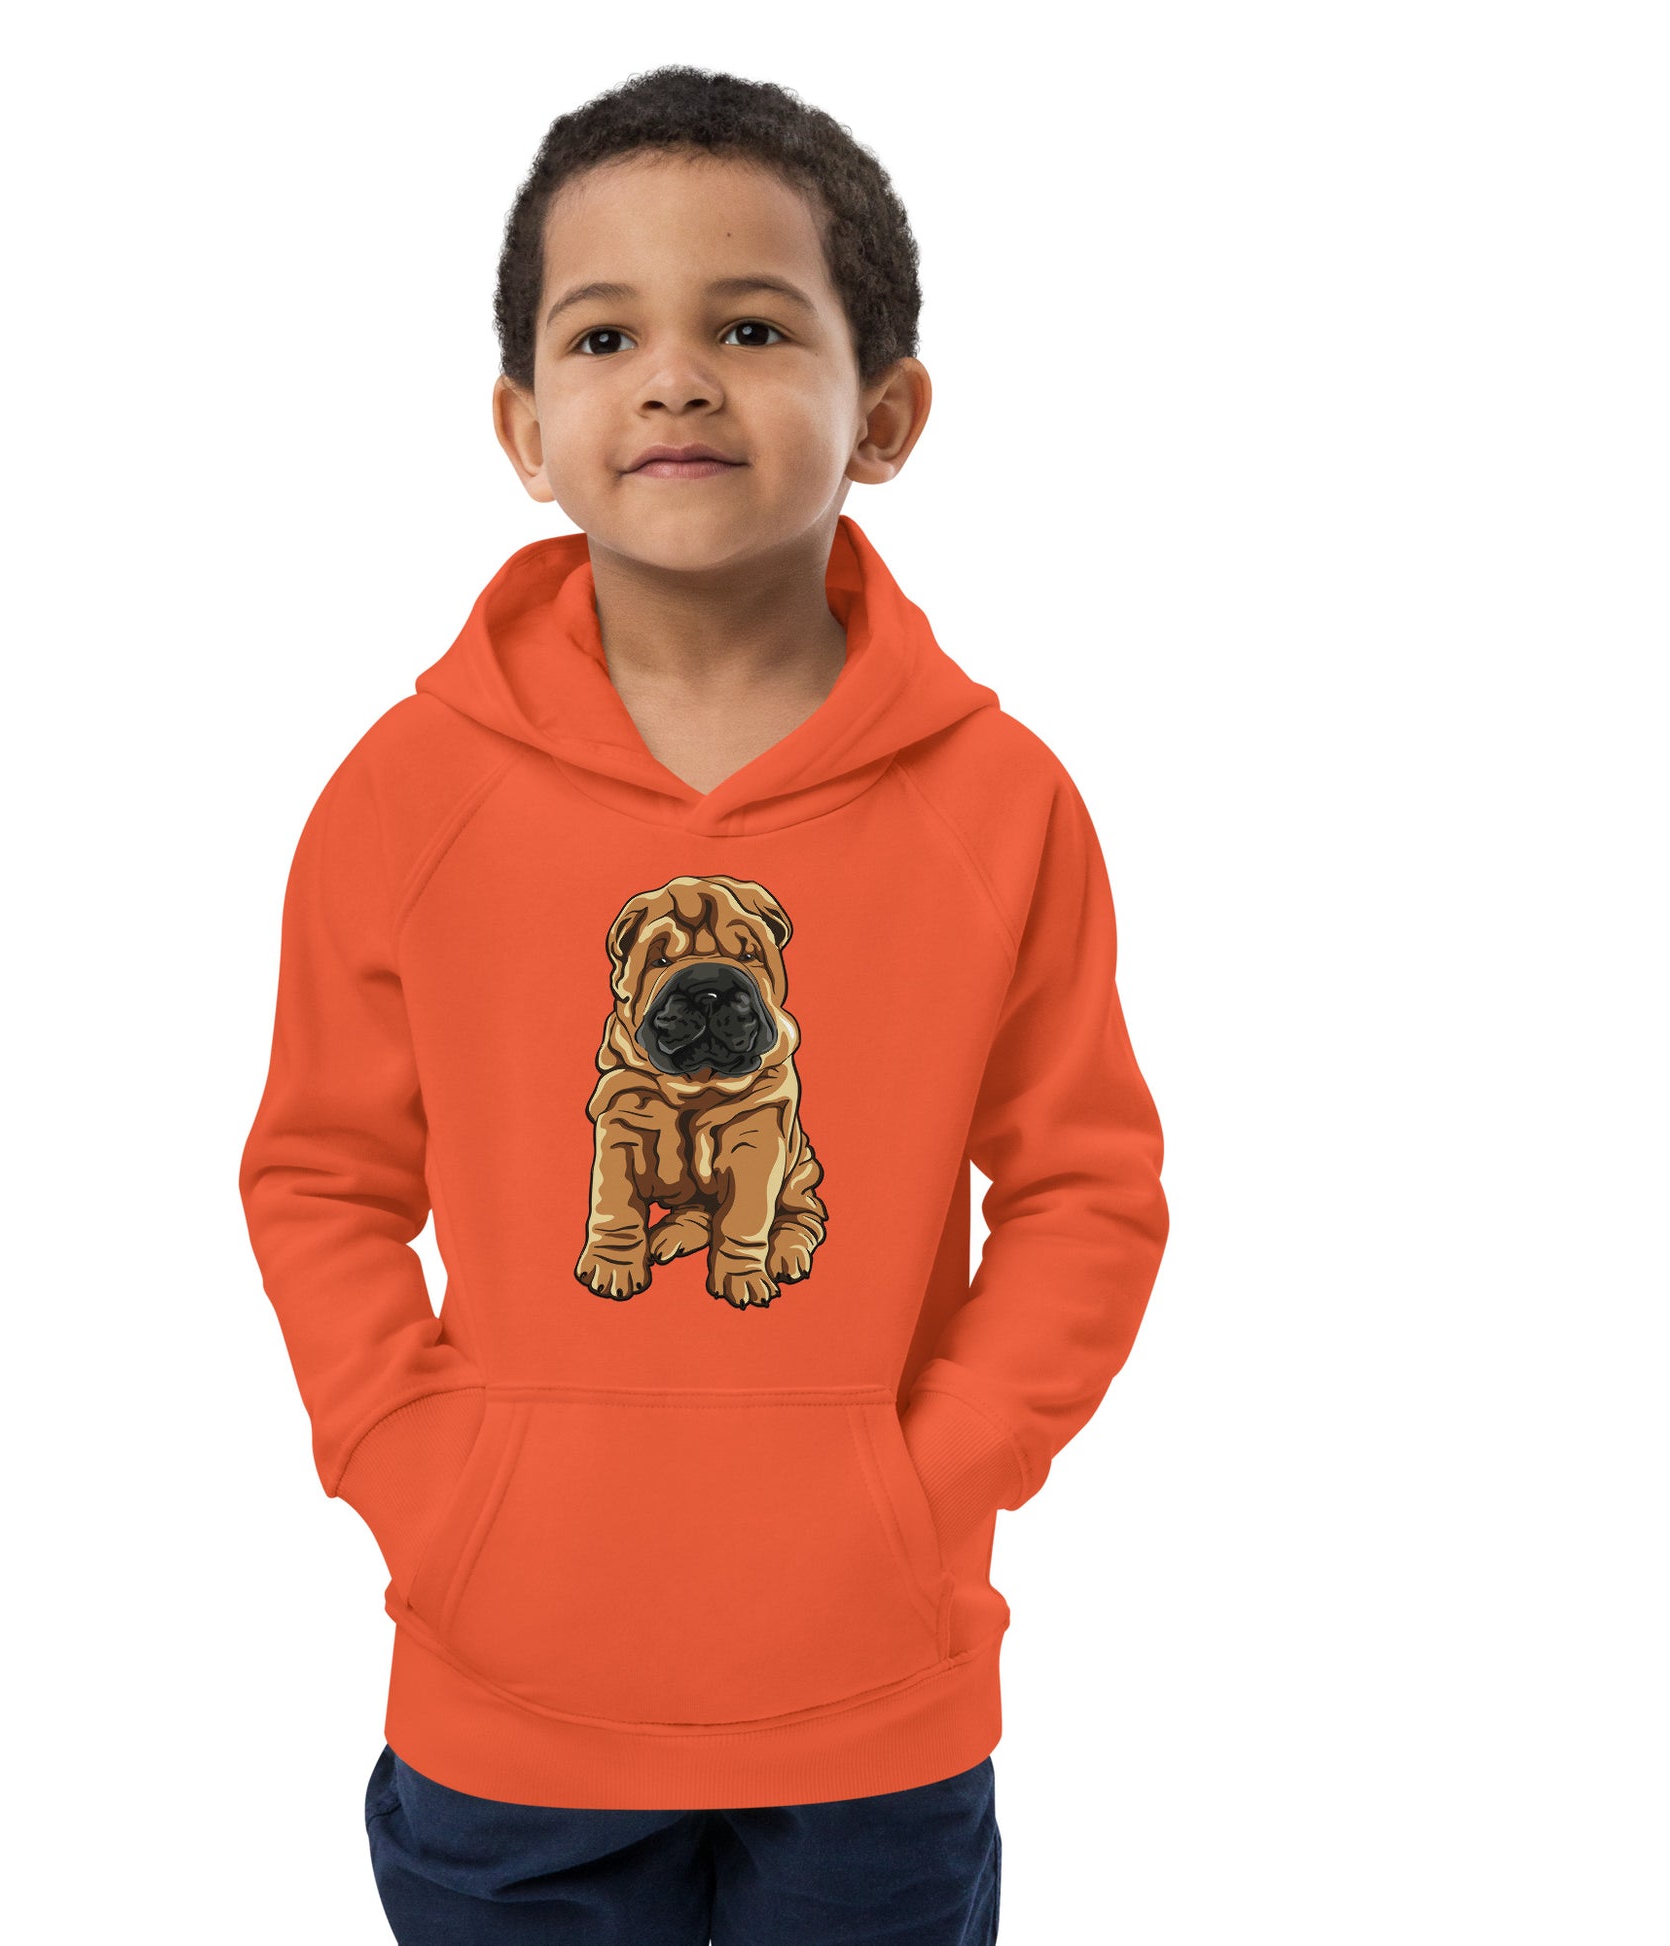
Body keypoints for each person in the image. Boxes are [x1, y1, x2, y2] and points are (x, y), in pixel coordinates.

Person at [238, 63, 1169, 1944]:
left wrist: (935, 1478)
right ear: (524, 428)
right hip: (509, 1697)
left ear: (884, 414)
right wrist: (421, 1475)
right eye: (604, 334)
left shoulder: (999, 802)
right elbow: (321, 1176)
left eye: (750, 326)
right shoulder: (406, 792)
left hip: (875, 1696)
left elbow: (1085, 1188)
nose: (672, 377)